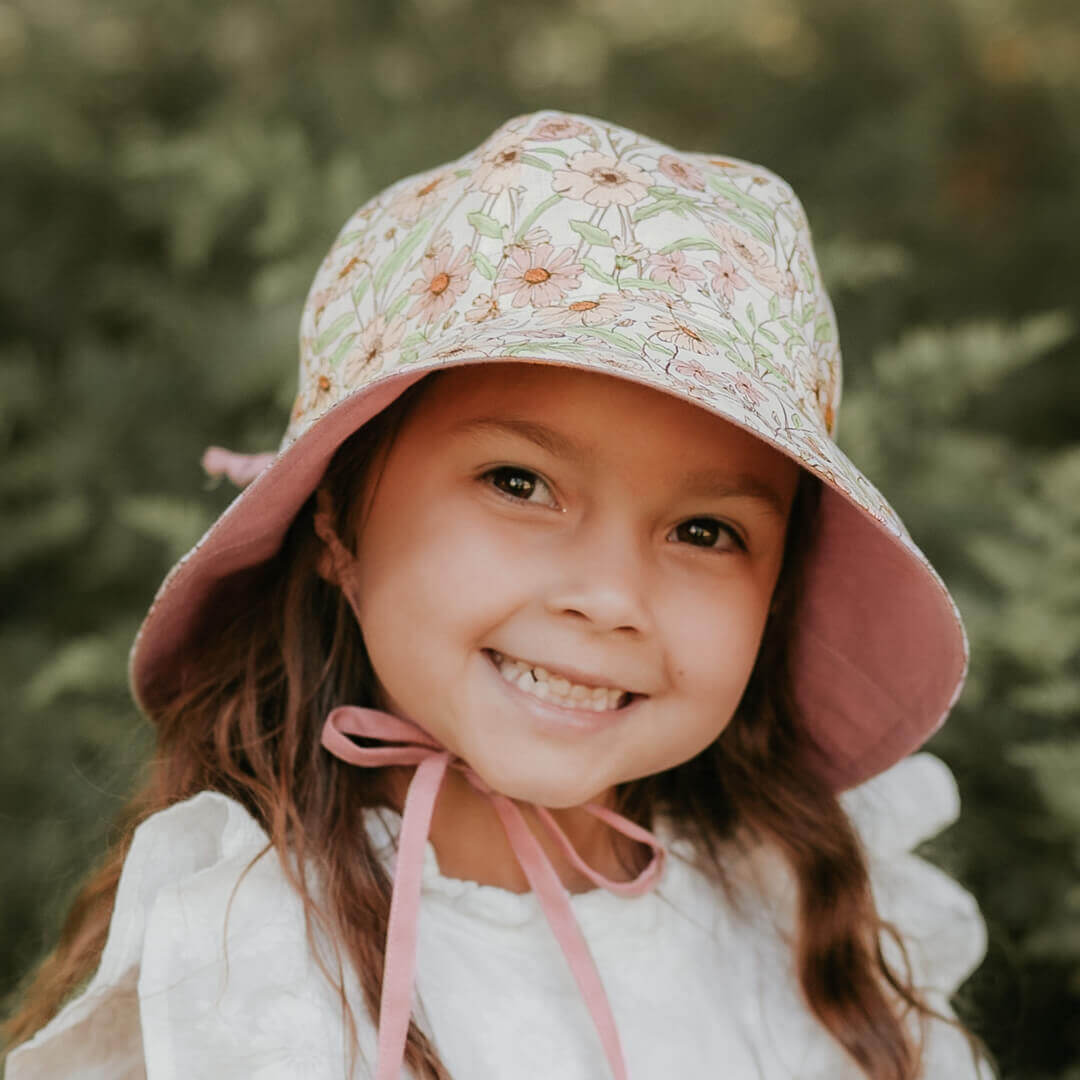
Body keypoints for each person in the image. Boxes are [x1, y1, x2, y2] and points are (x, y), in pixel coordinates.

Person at [3, 109, 996, 1079]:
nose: (609, 598)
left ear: (775, 594)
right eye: (519, 483)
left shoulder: (800, 921)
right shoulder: (244, 963)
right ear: (336, 519)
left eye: (706, 532)